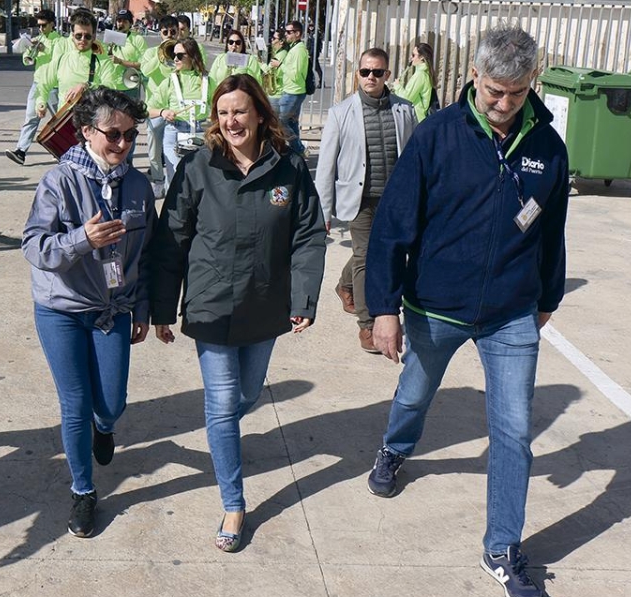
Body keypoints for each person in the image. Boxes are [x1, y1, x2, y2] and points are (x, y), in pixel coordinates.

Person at [363, 25, 568, 597]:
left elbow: (552, 231)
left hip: (511, 313)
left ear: (533, 82)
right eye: (493, 91)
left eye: (516, 93)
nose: (503, 105)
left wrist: (547, 297)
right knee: (413, 396)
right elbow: (391, 227)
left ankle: (502, 546)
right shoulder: (436, 136)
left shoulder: (547, 146)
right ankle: (395, 449)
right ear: (473, 76)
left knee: (513, 431)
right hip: (437, 307)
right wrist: (384, 308)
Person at [149, 74, 326, 553]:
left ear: (260, 114)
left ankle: (222, 433)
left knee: (246, 396)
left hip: (265, 303)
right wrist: (162, 307)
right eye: (223, 113)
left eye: (240, 111)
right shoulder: (197, 167)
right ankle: (234, 501)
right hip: (210, 304)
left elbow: (309, 234)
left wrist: (304, 296)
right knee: (223, 404)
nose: (231, 121)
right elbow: (172, 241)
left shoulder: (289, 167)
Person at [22, 87, 156, 539]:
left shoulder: (137, 185)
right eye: (113, 134)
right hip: (60, 309)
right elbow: (35, 247)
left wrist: (142, 306)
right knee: (74, 404)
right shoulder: (58, 182)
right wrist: (82, 239)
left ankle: (106, 426)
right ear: (85, 132)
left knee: (111, 403)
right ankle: (83, 491)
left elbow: (145, 254)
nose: (122, 143)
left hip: (112, 310)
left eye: (130, 135)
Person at [316, 48, 416, 353]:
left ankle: (344, 285)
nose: (370, 77)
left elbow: (413, 158)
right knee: (365, 258)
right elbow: (326, 166)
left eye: (377, 72)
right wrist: (324, 211)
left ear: (387, 74)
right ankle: (367, 324)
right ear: (358, 74)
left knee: (378, 253)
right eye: (365, 72)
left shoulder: (405, 110)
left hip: (394, 200)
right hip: (357, 200)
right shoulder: (340, 112)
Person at [34, 12, 120, 143]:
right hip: (66, 123)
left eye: (88, 36)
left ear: (94, 36)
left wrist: (86, 86)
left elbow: (111, 87)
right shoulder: (62, 59)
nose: (83, 40)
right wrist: (41, 102)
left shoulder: (102, 60)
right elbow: (43, 84)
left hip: (93, 124)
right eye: (79, 36)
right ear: (72, 36)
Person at [147, 38, 210, 183]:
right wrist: (162, 112)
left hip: (200, 132)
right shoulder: (170, 80)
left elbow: (220, 106)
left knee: (198, 180)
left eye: (180, 55)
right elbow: (147, 109)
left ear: (192, 56)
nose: (175, 59)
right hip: (174, 133)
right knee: (176, 179)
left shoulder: (207, 81)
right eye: (174, 55)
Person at [6, 9, 62, 166]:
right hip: (37, 84)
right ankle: (21, 151)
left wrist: (46, 49)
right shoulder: (38, 38)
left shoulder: (59, 41)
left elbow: (60, 58)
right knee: (30, 118)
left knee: (58, 121)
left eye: (44, 25)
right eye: (39, 26)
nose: (42, 29)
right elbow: (27, 61)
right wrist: (29, 49)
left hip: (53, 85)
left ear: (52, 24)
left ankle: (63, 150)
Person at [138, 15, 180, 198]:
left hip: (175, 107)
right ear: (160, 33)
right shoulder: (150, 52)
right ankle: (158, 180)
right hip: (155, 107)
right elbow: (145, 71)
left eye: (173, 31)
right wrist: (160, 54)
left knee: (173, 148)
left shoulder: (181, 51)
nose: (169, 35)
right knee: (154, 148)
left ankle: (174, 181)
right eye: (166, 32)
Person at [102, 10, 146, 162]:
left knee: (128, 126)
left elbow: (143, 64)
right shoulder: (111, 38)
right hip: (111, 86)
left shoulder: (137, 39)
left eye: (124, 21)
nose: (121, 23)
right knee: (110, 125)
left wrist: (121, 62)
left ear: (130, 23)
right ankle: (112, 157)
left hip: (129, 87)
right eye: (119, 20)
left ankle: (128, 160)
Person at [269, 20, 309, 154]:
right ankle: (296, 152)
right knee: (291, 123)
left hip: (293, 92)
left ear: (297, 33)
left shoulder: (299, 50)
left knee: (281, 122)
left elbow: (296, 75)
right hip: (292, 91)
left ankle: (299, 149)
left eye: (289, 32)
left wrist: (280, 65)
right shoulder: (295, 48)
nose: (285, 34)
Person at [394, 42, 437, 122]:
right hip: (417, 117)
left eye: (413, 55)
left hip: (416, 118)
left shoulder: (420, 75)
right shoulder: (424, 73)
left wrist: (397, 87)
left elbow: (407, 98)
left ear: (422, 57)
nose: (411, 57)